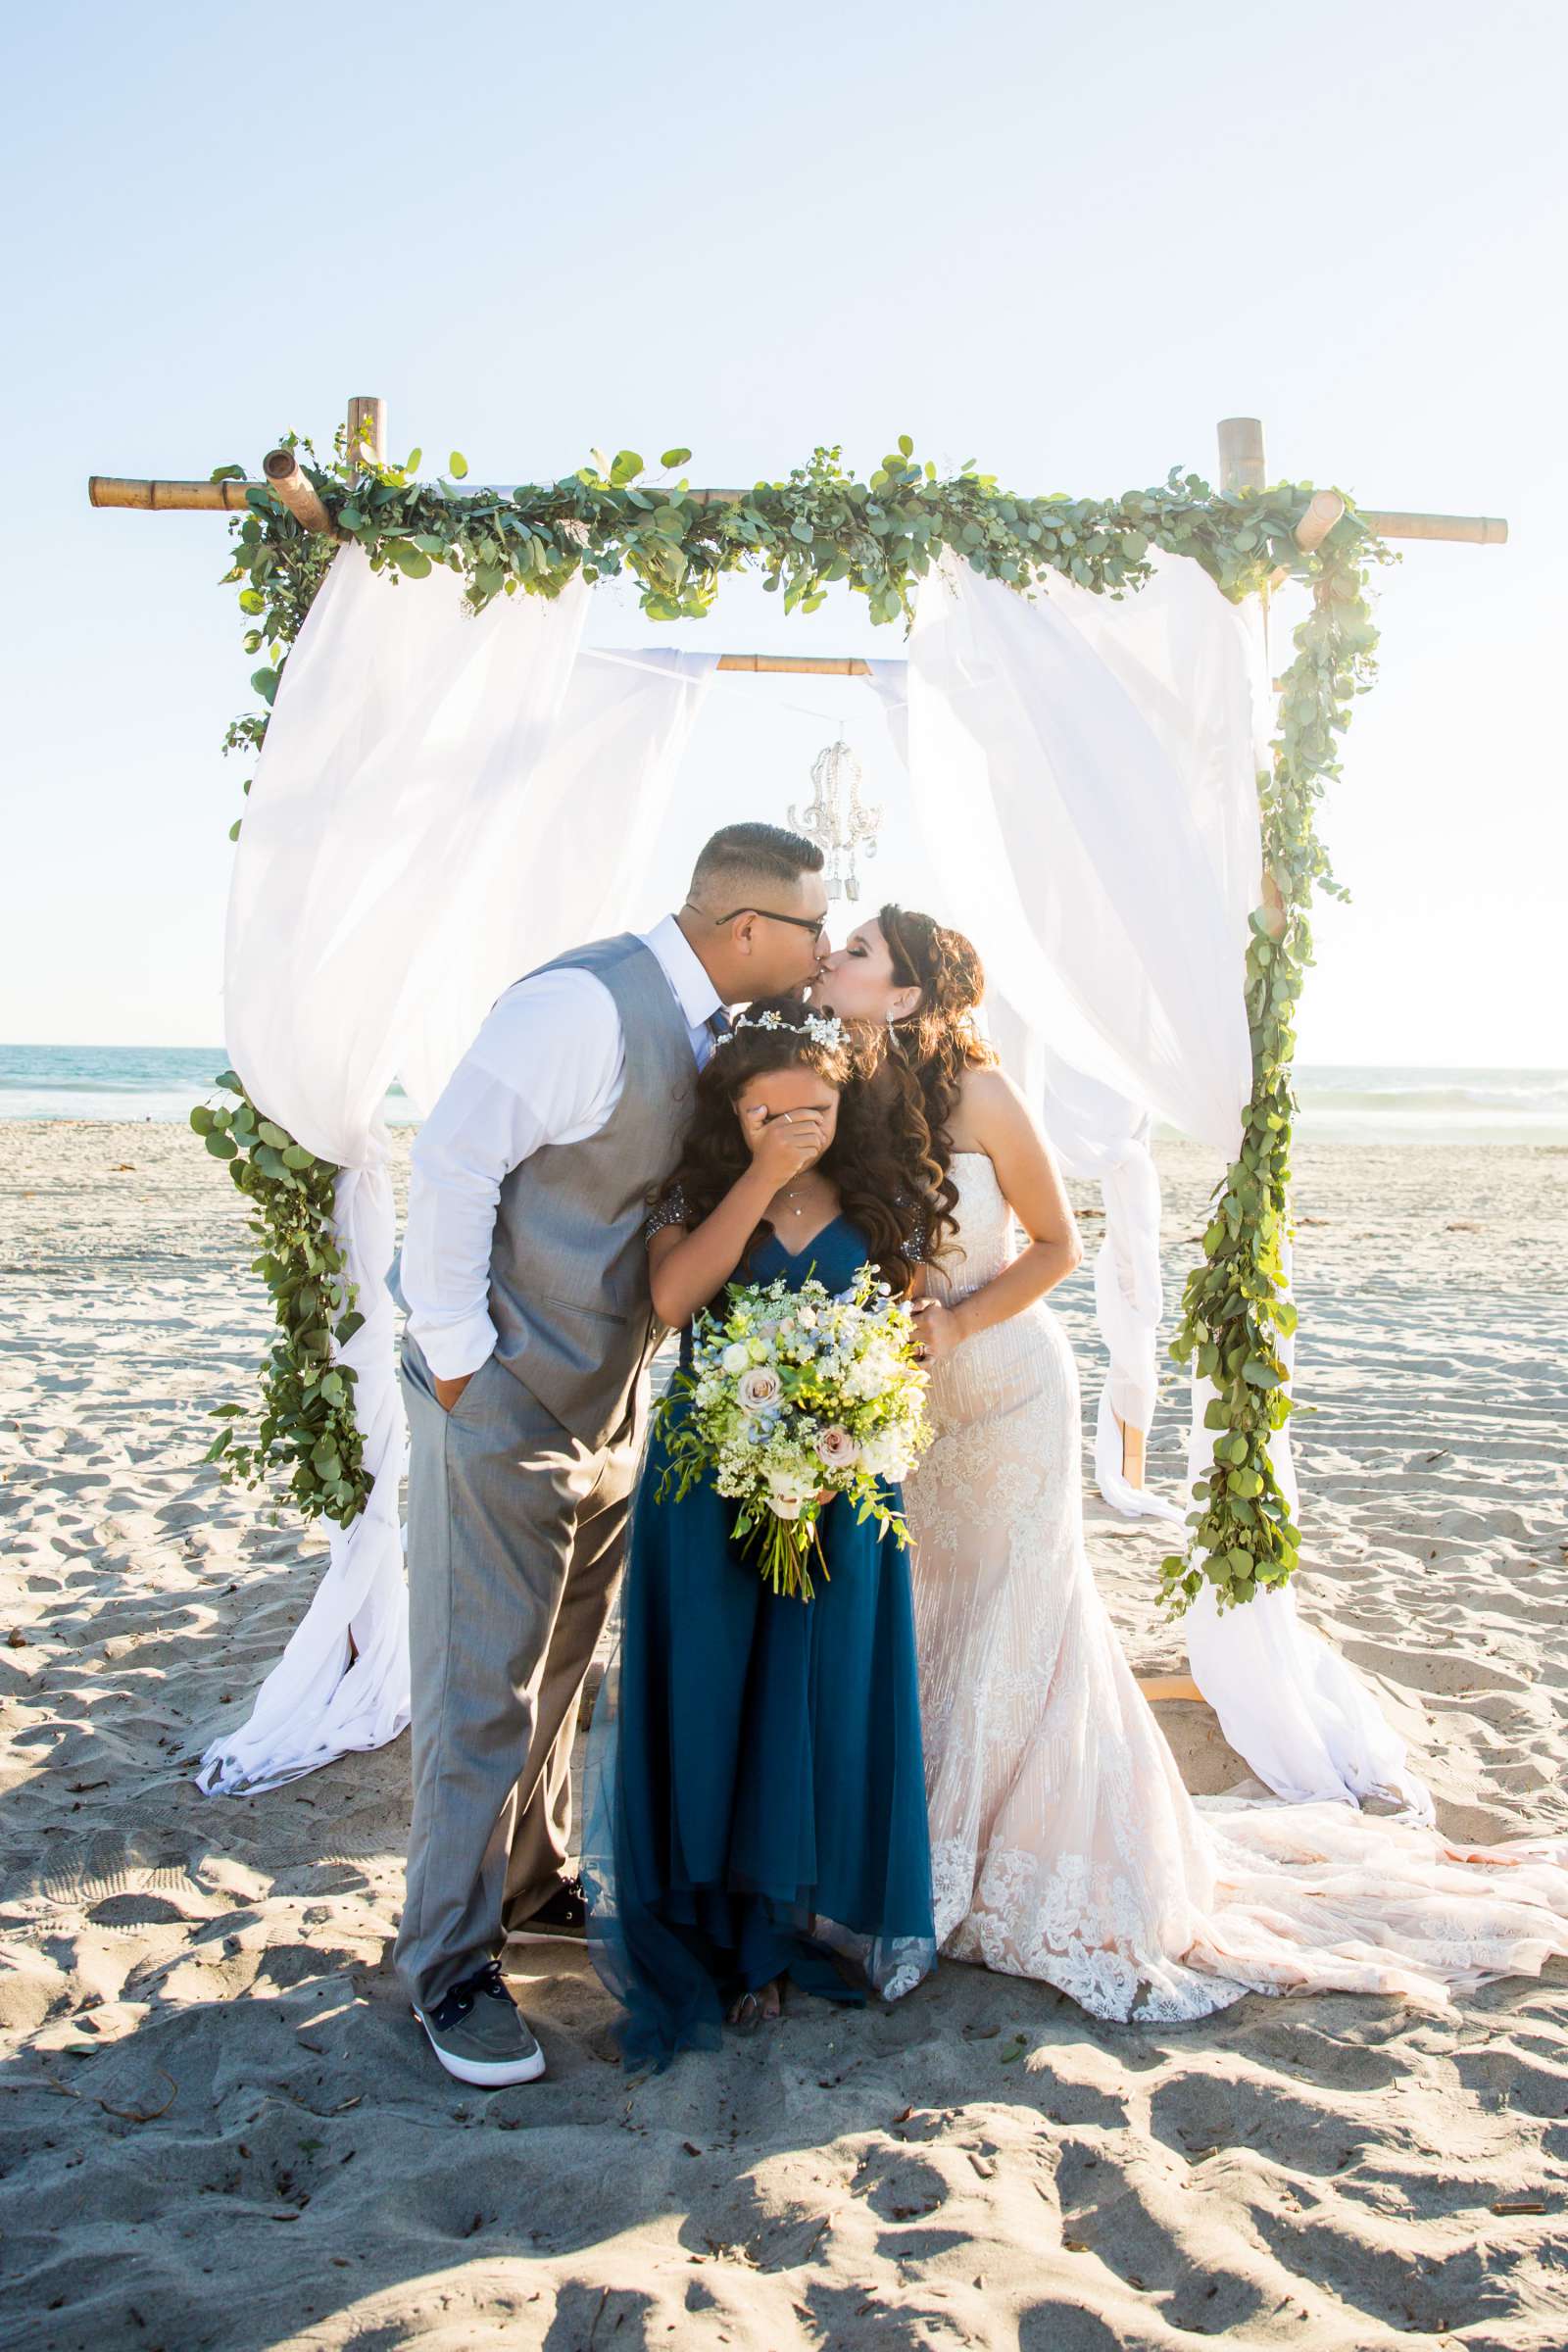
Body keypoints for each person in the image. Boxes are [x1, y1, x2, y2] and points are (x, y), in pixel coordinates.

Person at [815, 906, 1568, 2020]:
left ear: (912, 993)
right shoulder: (839, 1091)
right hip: (903, 1409)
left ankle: (1012, 1864)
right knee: (931, 1620)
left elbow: (1059, 1245)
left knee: (1021, 1624)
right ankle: (918, 1849)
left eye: (862, 950)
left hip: (1007, 1389)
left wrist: (956, 1325)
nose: (835, 953)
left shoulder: (976, 1092)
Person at [395, 824, 831, 2086]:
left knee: (559, 1668)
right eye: (815, 924)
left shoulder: (718, 1031)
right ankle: (447, 1970)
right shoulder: (581, 1006)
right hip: (506, 1392)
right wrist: (465, 1361)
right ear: (748, 930)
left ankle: (526, 1890)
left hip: (606, 1397)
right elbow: (450, 1162)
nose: (822, 942)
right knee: (484, 1686)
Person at [581, 1000, 936, 2066]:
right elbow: (679, 1302)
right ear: (727, 1112)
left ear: (847, 1104)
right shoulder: (695, 1193)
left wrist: (848, 1430)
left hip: (835, 1484)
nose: (791, 1127)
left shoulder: (877, 1207)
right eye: (764, 1111)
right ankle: (705, 1932)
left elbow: (899, 1349)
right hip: (705, 1481)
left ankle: (776, 1938)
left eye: (813, 1110)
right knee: (710, 1693)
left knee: (808, 1701)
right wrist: (759, 1178)